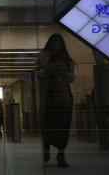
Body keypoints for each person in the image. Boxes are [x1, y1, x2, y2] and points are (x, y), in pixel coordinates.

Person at [38, 33, 75, 168]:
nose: (56, 46)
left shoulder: (67, 59)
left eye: (58, 43)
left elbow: (72, 78)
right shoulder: (44, 56)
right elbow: (38, 73)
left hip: (64, 97)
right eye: (54, 43)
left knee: (63, 127)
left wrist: (64, 73)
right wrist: (48, 69)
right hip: (49, 97)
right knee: (48, 125)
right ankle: (47, 149)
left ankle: (61, 154)